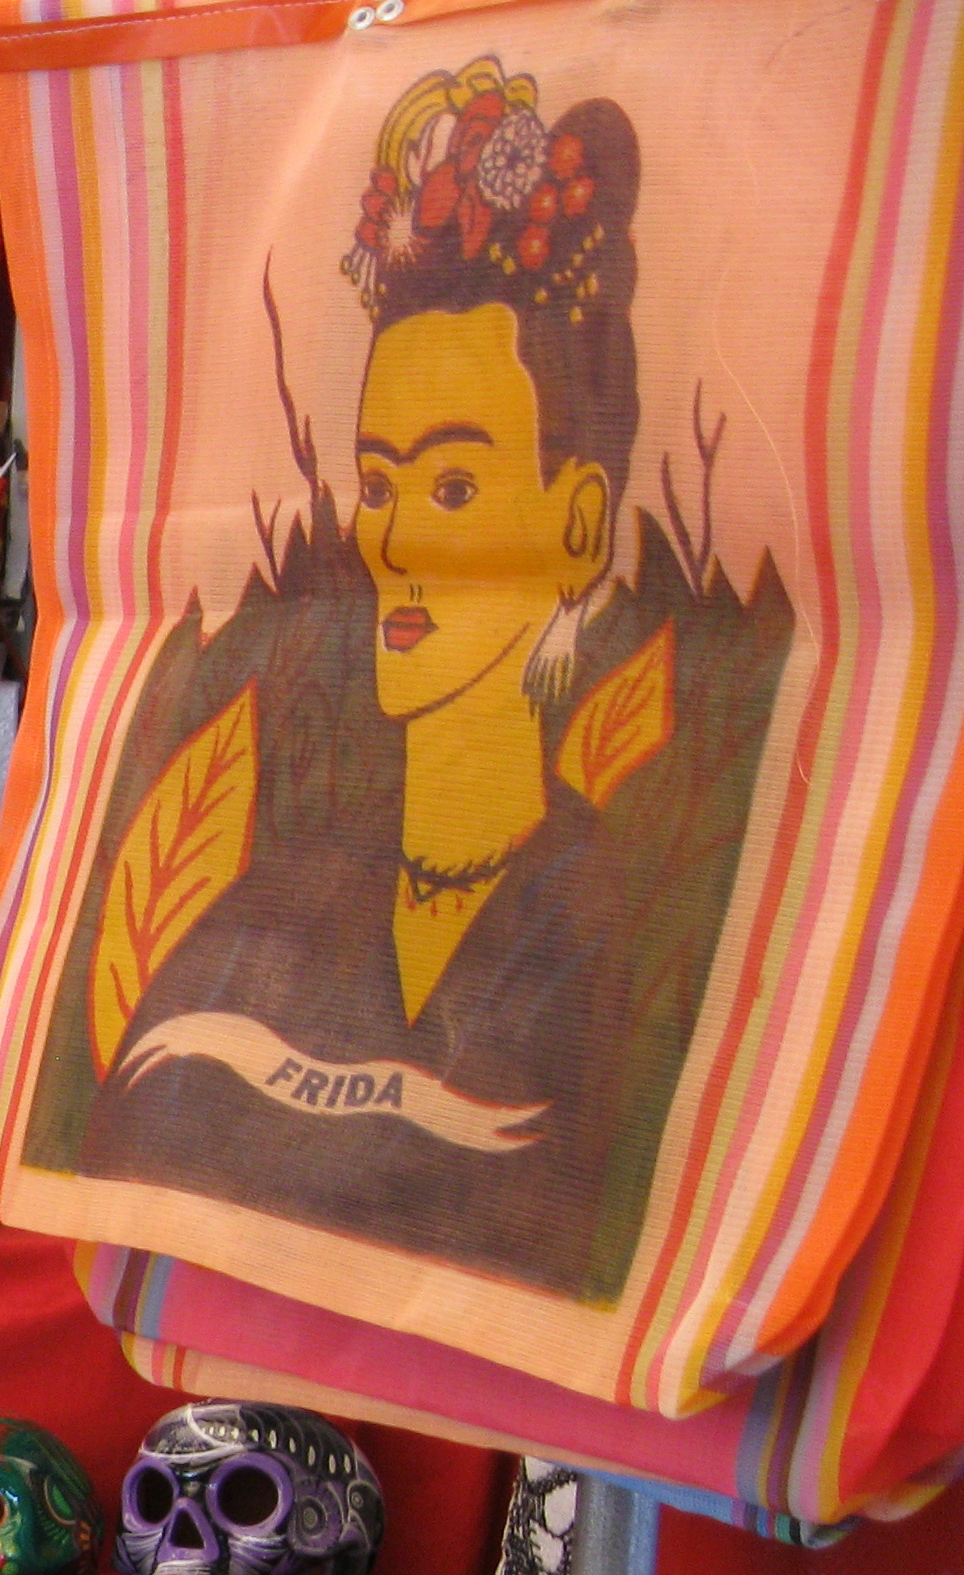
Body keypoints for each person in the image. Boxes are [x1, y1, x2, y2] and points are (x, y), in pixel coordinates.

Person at [53, 63, 790, 1301]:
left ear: (577, 524)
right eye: (379, 484)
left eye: (453, 487)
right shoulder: (277, 893)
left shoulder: (596, 924)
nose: (389, 541)